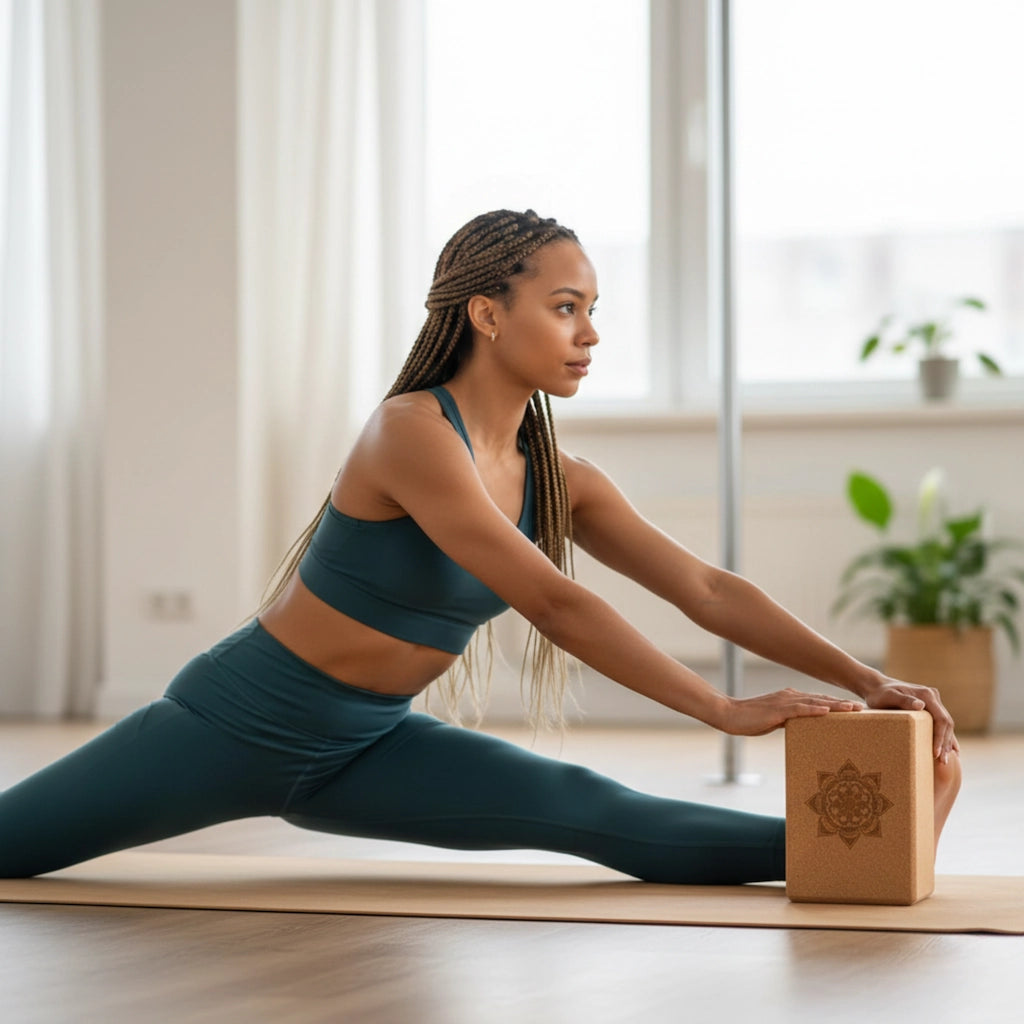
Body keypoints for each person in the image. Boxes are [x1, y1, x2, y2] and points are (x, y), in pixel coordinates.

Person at [0, 209, 960, 882]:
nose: (590, 334)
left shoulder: (563, 480)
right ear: (488, 314)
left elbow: (707, 589)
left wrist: (869, 682)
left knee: (601, 814)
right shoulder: (411, 431)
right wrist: (717, 705)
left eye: (593, 310)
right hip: (230, 727)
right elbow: (555, 602)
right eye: (566, 306)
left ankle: (869, 850)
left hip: (367, 745)